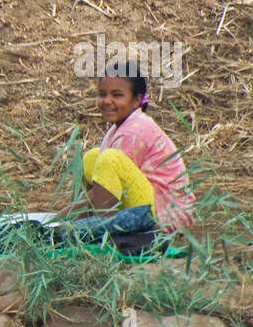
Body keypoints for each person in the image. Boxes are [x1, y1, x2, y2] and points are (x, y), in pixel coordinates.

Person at [65, 60, 194, 240]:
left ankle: (99, 234)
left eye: (117, 95)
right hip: (147, 203)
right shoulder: (119, 127)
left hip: (162, 217)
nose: (107, 101)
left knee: (109, 160)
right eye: (102, 94)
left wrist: (58, 220)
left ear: (135, 100)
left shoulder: (135, 131)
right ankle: (80, 228)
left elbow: (103, 184)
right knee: (92, 157)